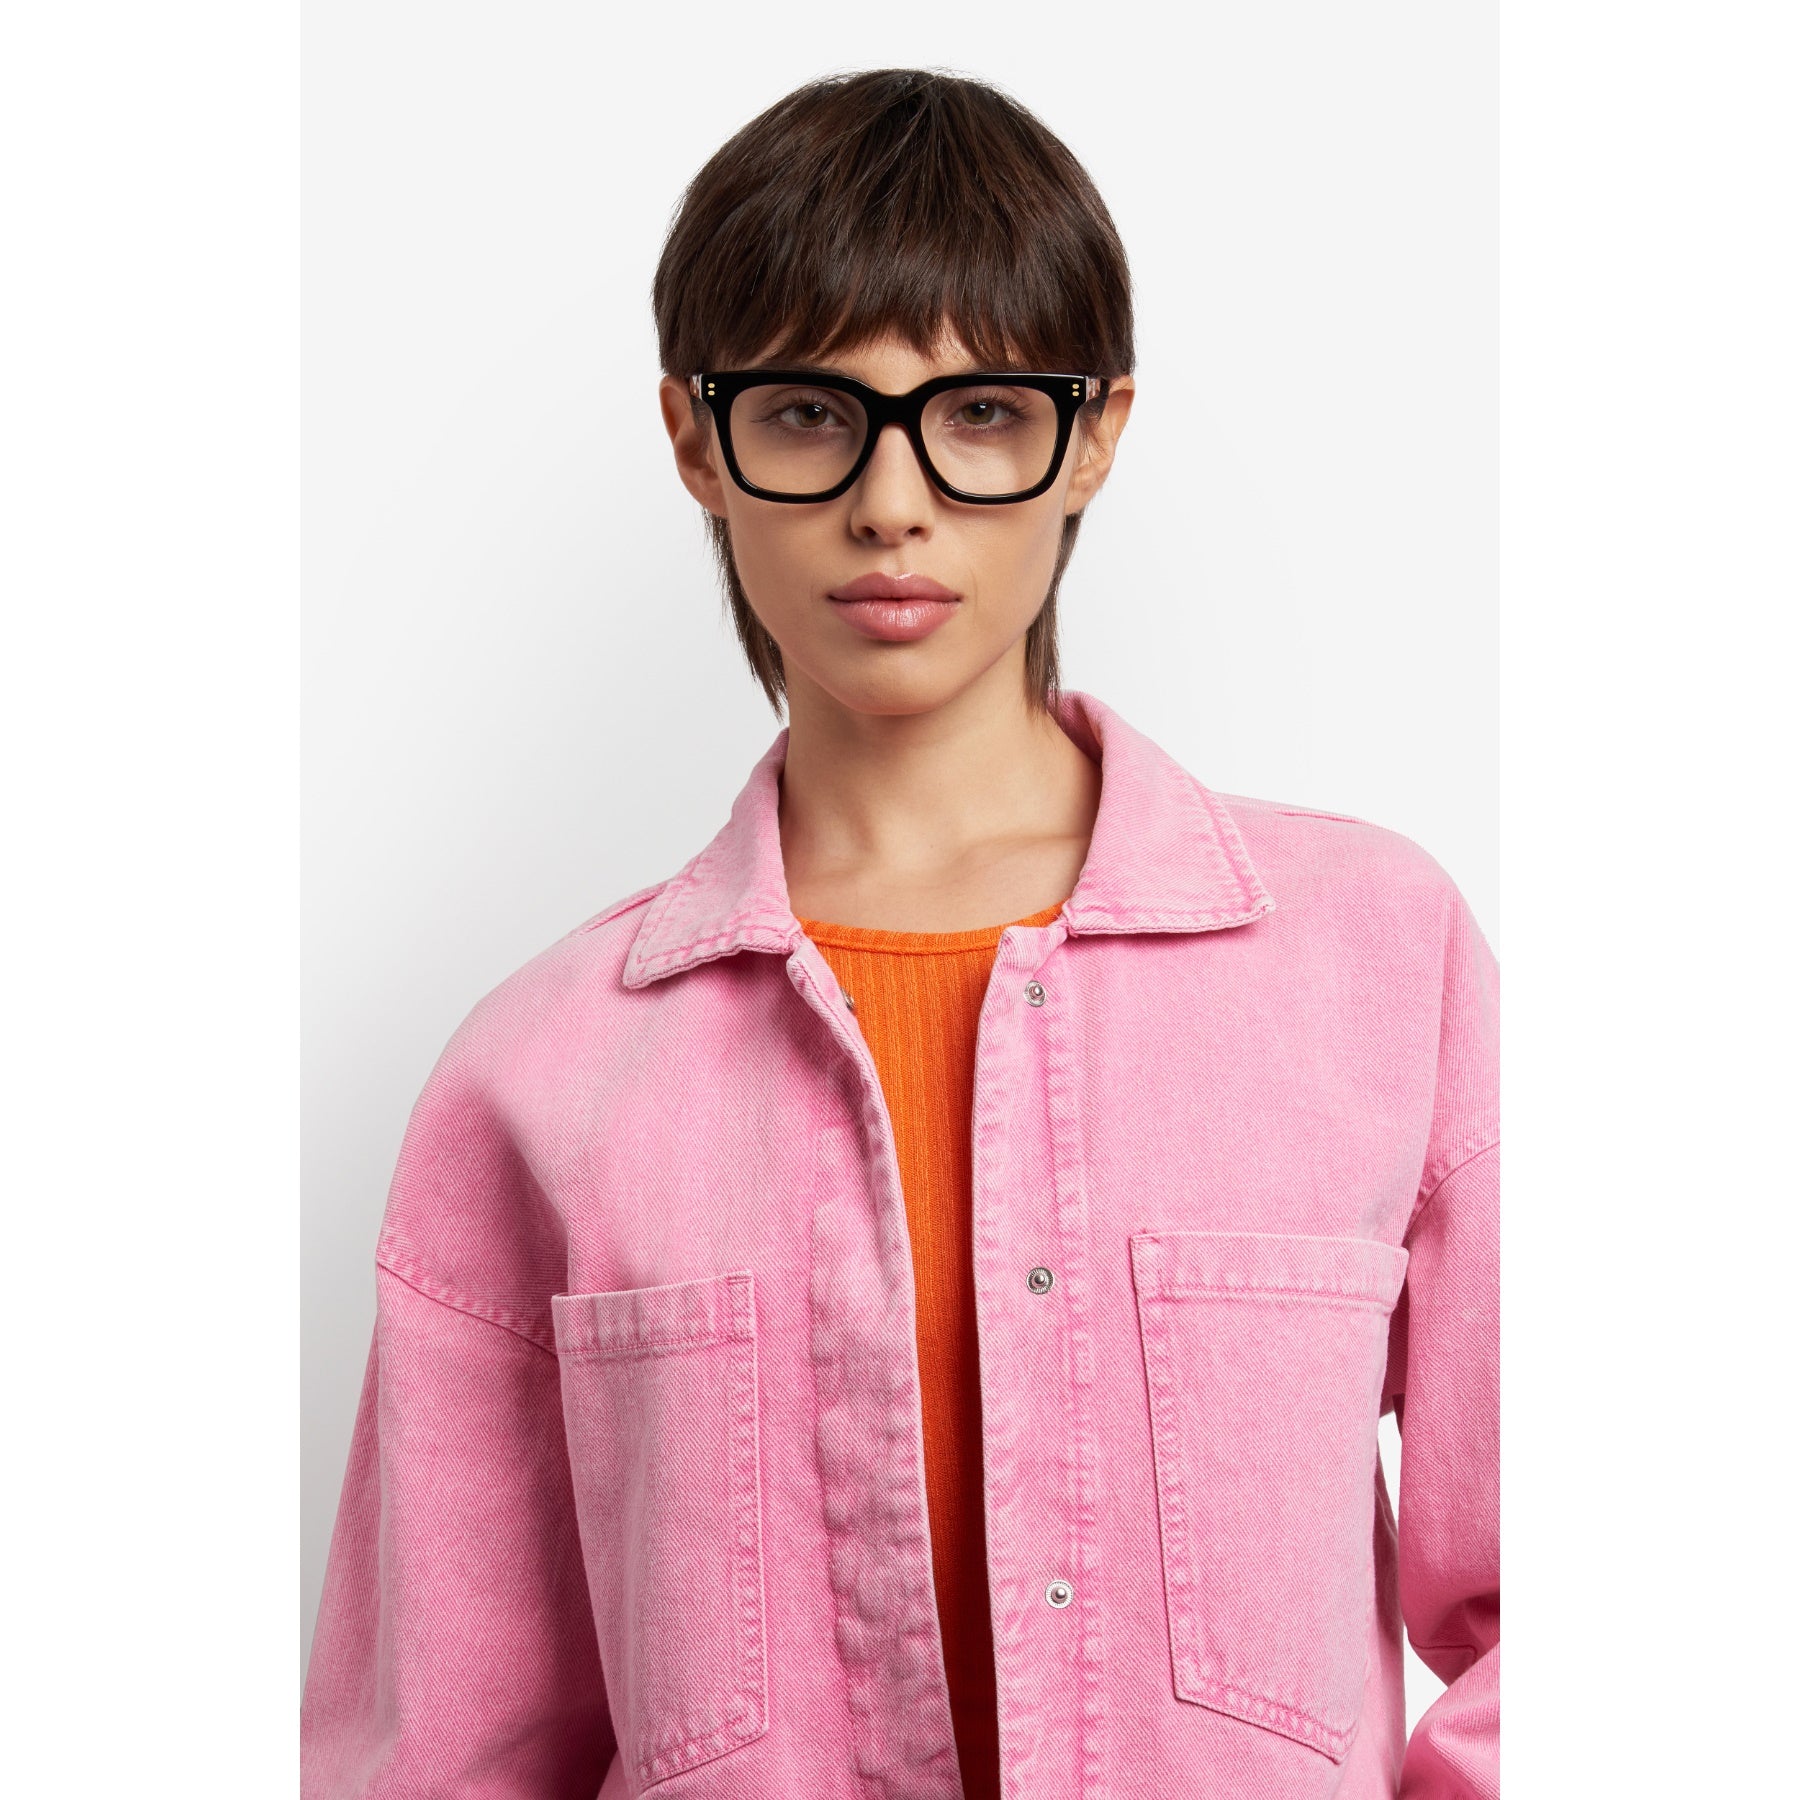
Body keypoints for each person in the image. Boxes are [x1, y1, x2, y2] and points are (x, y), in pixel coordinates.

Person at [302, 67, 1498, 1800]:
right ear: (695, 438)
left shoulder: (1378, 966)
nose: (892, 501)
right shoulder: (538, 1076)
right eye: (811, 413)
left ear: (1095, 431)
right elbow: (444, 1747)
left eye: (980, 411)